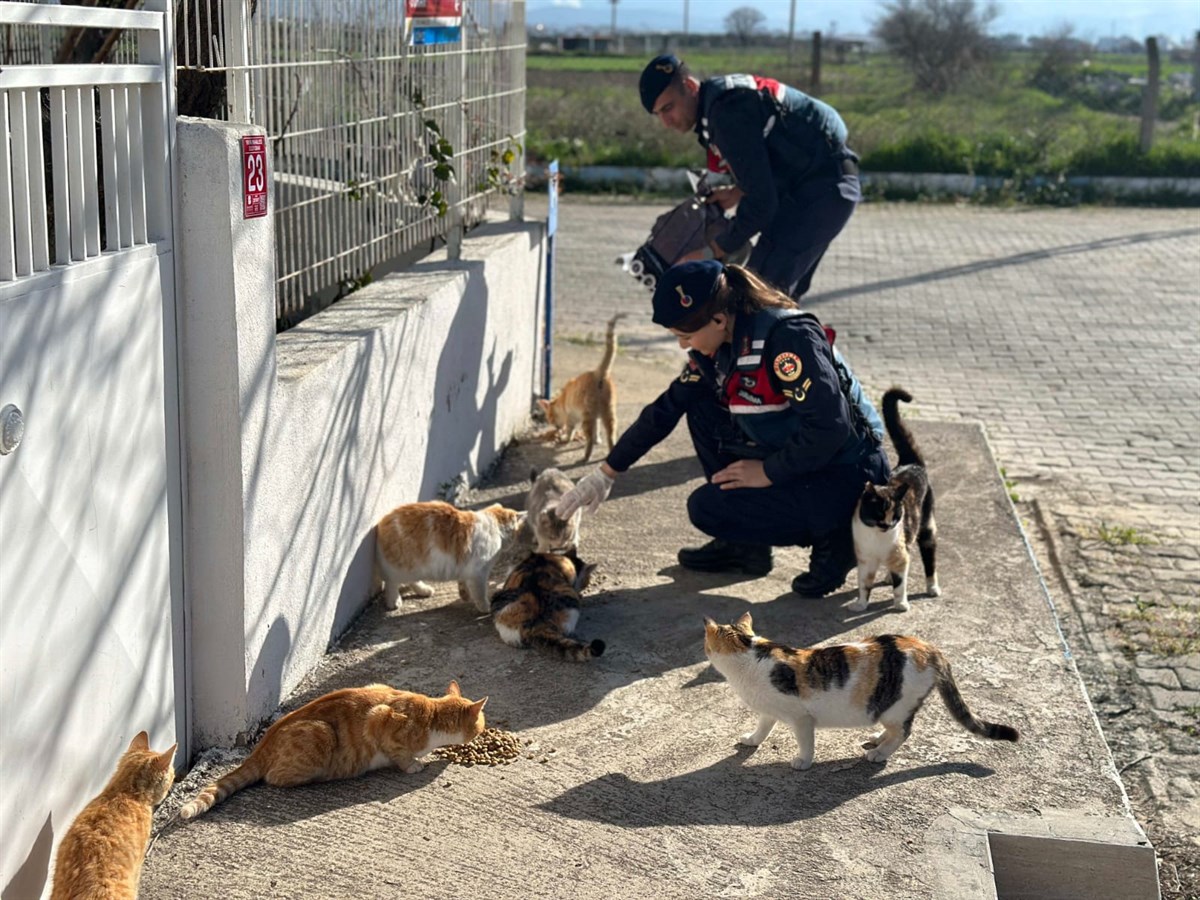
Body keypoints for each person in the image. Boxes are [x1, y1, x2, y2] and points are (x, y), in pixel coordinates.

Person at [555, 260, 890, 598]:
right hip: (806, 455)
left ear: (717, 319)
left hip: (849, 472)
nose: (683, 346)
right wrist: (606, 473)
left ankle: (839, 538)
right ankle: (745, 548)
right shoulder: (722, 344)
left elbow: (830, 428)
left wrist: (768, 471)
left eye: (686, 336)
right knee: (699, 407)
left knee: (706, 508)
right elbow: (665, 409)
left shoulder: (787, 338)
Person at [637, 54, 860, 299]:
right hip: (815, 189)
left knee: (756, 299)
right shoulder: (720, 101)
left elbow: (762, 204)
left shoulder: (726, 113)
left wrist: (711, 251)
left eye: (668, 108)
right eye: (659, 114)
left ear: (690, 86)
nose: (667, 122)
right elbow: (772, 157)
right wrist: (737, 190)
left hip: (821, 191)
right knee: (769, 300)